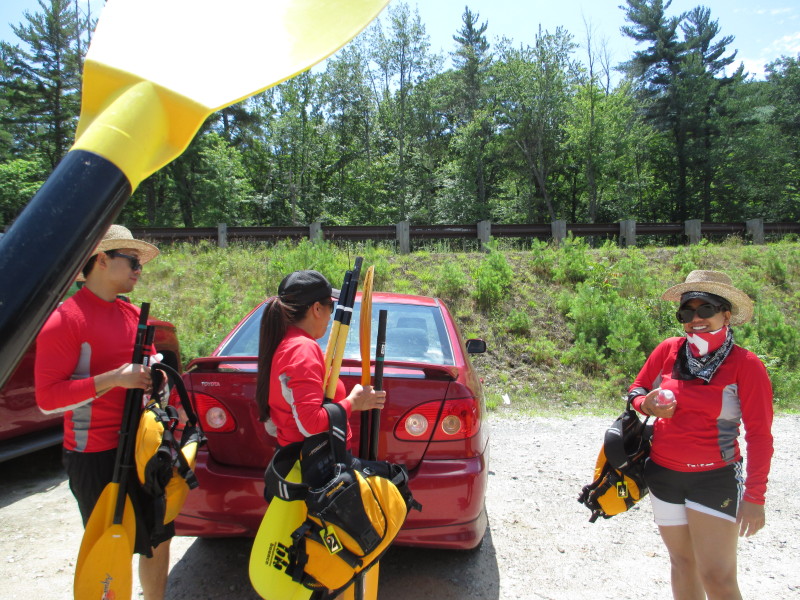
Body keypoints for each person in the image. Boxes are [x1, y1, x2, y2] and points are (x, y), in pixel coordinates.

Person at [35, 224, 171, 600]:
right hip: (94, 454)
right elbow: (48, 399)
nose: (138, 269)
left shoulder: (130, 314)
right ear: (101, 260)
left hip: (141, 447)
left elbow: (147, 375)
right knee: (112, 545)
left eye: (140, 263)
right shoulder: (66, 319)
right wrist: (113, 378)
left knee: (158, 538)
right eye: (131, 261)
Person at [628, 270, 774, 600]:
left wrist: (755, 497)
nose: (695, 319)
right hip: (663, 475)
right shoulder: (668, 349)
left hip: (714, 479)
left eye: (705, 309)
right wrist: (646, 403)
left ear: (726, 314)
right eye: (686, 312)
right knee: (682, 564)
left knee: (718, 577)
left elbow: (760, 436)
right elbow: (636, 390)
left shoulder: (746, 366)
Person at [255, 269, 386, 479]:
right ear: (316, 308)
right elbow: (311, 423)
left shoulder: (288, 343)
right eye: (330, 307)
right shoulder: (302, 349)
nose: (330, 315)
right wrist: (354, 402)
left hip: (304, 464)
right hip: (314, 471)